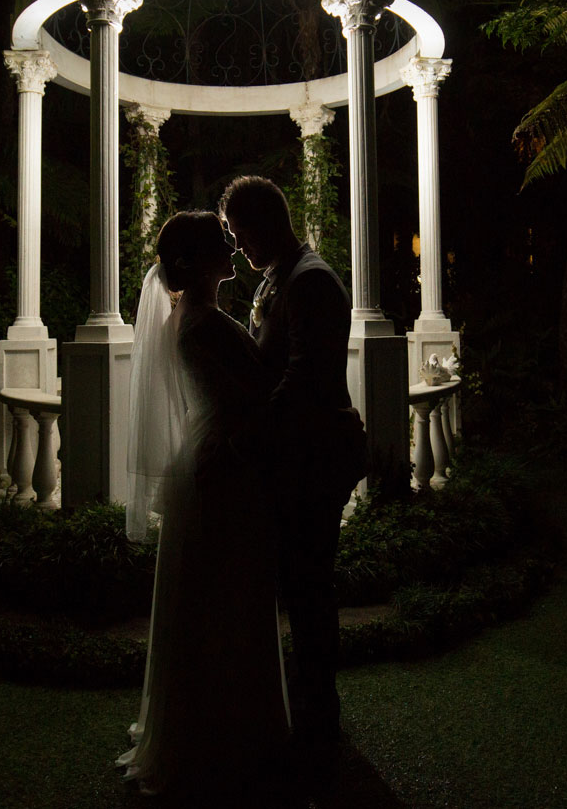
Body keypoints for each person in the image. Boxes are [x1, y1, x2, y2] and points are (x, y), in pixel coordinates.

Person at [116, 210, 290, 798]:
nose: (234, 250)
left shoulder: (193, 317)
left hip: (213, 460)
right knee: (226, 600)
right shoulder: (204, 324)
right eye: (223, 243)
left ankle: (213, 732)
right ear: (196, 260)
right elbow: (261, 392)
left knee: (213, 600)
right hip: (222, 470)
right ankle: (226, 739)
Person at [219, 175, 358, 763]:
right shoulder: (282, 275)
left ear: (268, 222)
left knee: (309, 586)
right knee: (298, 585)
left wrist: (249, 431)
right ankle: (307, 705)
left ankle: (321, 716)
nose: (237, 245)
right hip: (295, 456)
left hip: (316, 457)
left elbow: (308, 377)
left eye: (240, 231)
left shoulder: (312, 281)